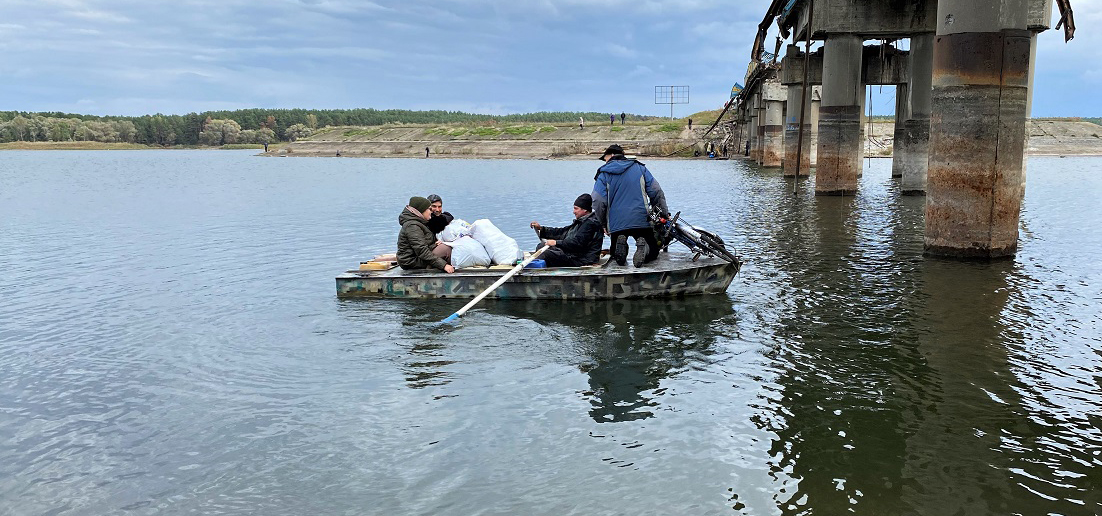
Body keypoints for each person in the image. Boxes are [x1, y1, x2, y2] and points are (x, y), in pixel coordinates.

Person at [592, 144, 668, 267]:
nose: (605, 162)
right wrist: (663, 212)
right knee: (653, 252)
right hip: (641, 219)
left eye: (604, 158)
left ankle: (620, 250)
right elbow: (656, 191)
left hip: (616, 222)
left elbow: (597, 201)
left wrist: (601, 223)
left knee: (616, 255)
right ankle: (645, 249)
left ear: (611, 155)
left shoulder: (603, 174)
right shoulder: (639, 168)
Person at [529, 194, 604, 267]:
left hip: (582, 260)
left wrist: (556, 243)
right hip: (574, 254)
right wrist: (542, 229)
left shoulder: (590, 224)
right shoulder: (581, 222)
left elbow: (577, 244)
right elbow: (562, 232)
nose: (574, 212)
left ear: (585, 210)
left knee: (545, 254)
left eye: (576, 208)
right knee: (541, 246)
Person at [397, 196, 455, 273]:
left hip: (418, 258)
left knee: (445, 246)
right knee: (446, 250)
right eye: (429, 209)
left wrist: (437, 243)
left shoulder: (419, 222)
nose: (431, 212)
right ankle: (454, 270)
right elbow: (421, 251)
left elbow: (426, 242)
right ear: (421, 210)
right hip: (412, 262)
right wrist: (444, 265)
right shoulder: (412, 226)